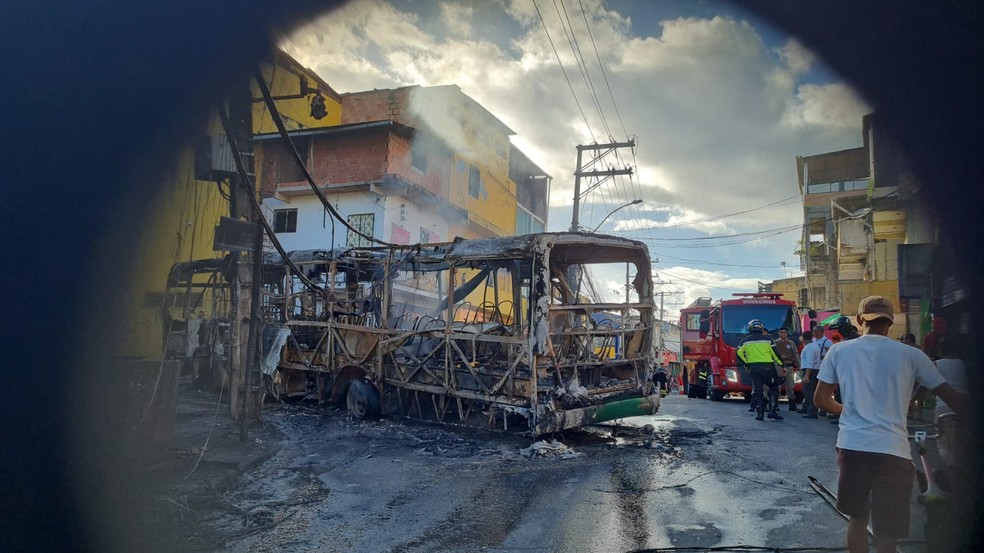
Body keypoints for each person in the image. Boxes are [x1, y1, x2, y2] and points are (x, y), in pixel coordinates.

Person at [814, 296, 969, 553]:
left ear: (860, 320)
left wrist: (849, 411)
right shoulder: (913, 355)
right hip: (894, 453)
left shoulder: (839, 351)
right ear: (890, 321)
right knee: (887, 531)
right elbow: (952, 398)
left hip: (853, 448)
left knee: (857, 520)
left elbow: (821, 399)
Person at [736, 319, 785, 421]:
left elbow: (738, 353)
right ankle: (772, 411)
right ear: (761, 328)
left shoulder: (745, 341)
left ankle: (760, 414)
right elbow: (775, 354)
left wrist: (747, 363)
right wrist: (782, 365)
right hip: (768, 367)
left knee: (758, 390)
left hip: (753, 368)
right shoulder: (768, 340)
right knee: (773, 387)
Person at [774, 327, 801, 411]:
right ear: (779, 333)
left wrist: (799, 365)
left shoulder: (791, 343)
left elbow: (796, 354)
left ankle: (792, 403)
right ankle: (775, 404)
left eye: (785, 332)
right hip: (778, 366)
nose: (783, 334)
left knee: (790, 386)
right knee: (777, 386)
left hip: (789, 366)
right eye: (782, 332)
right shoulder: (775, 343)